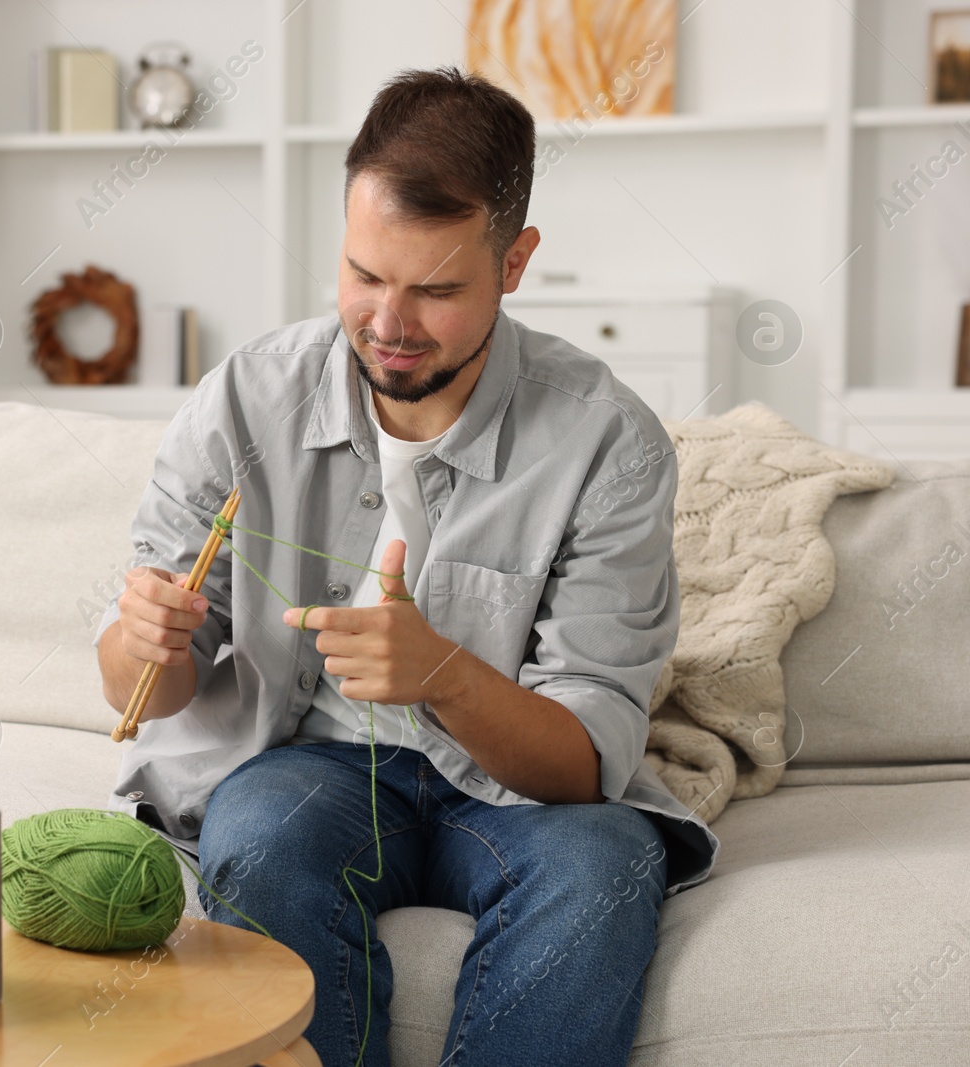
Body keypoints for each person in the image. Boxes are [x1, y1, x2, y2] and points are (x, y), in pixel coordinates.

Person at [93, 66, 720, 1067]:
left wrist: (441, 673)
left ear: (513, 263)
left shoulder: (610, 441)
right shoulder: (243, 400)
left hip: (519, 789)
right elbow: (146, 694)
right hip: (309, 763)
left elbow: (583, 756)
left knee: (605, 863)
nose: (388, 320)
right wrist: (141, 640)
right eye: (363, 274)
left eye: (435, 289)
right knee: (254, 838)